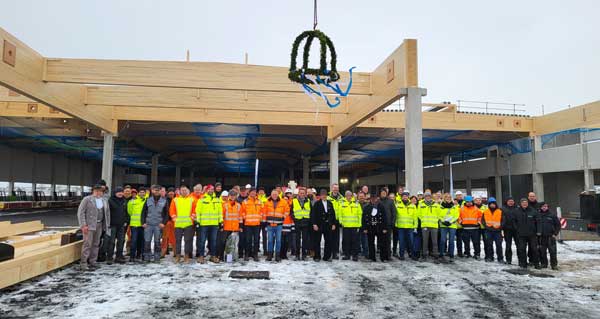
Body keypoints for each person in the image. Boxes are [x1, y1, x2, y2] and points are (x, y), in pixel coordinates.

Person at [77, 184, 111, 271]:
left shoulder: (104, 200)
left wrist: (106, 225)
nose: (98, 193)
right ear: (93, 191)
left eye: (100, 191)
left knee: (96, 244)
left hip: (99, 225)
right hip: (89, 226)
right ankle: (83, 263)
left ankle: (93, 261)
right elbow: (81, 213)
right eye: (96, 191)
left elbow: (107, 213)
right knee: (87, 244)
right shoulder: (87, 199)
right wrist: (83, 225)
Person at [141, 185, 169, 262]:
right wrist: (143, 222)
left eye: (158, 190)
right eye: (155, 190)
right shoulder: (148, 200)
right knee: (147, 241)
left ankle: (157, 257)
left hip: (158, 225)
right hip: (148, 224)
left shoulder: (164, 201)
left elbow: (167, 214)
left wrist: (163, 223)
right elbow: (143, 212)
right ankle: (147, 257)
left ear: (160, 191)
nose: (156, 192)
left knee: (157, 242)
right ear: (152, 191)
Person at [195, 184, 223, 263]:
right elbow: (198, 211)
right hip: (204, 224)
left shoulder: (217, 200)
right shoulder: (202, 199)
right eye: (209, 189)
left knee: (213, 241)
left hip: (214, 224)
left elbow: (219, 212)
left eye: (212, 189)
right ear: (206, 190)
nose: (211, 190)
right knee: (202, 240)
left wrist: (220, 221)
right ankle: (201, 256)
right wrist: (198, 221)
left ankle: (213, 256)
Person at [169, 185, 195, 263]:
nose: (184, 191)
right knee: (178, 241)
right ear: (180, 191)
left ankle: (186, 256)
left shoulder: (192, 199)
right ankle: (178, 256)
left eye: (185, 190)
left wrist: (192, 218)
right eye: (182, 190)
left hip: (188, 224)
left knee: (188, 241)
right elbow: (171, 210)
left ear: (188, 191)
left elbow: (195, 210)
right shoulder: (175, 200)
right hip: (178, 224)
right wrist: (174, 219)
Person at [262, 189, 290, 262]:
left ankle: (277, 256)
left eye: (276, 194)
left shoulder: (283, 202)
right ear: (271, 195)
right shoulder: (267, 202)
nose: (274, 195)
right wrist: (264, 222)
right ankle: (269, 255)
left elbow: (287, 210)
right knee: (270, 241)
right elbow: (264, 212)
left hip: (279, 225)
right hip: (269, 225)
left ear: (278, 195)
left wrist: (284, 216)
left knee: (278, 240)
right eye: (273, 194)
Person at [103, 187, 128, 265]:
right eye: (118, 192)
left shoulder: (124, 201)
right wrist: (107, 223)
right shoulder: (110, 201)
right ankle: (109, 257)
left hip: (121, 225)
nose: (120, 193)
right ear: (115, 193)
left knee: (121, 241)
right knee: (111, 241)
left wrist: (126, 221)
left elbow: (126, 212)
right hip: (112, 225)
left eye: (121, 192)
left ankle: (119, 256)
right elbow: (106, 213)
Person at [311, 189, 337, 262]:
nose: (324, 196)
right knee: (317, 241)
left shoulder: (330, 203)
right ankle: (317, 256)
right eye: (322, 195)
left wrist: (334, 224)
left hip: (328, 225)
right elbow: (313, 215)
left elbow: (333, 214)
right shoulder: (317, 204)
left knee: (328, 241)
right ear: (320, 196)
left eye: (325, 195)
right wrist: (314, 224)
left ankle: (327, 256)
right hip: (319, 225)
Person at [515, 198, 541, 269]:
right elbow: (514, 221)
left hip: (532, 234)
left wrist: (538, 231)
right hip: (521, 235)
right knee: (522, 249)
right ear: (520, 203)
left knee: (534, 249)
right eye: (523, 202)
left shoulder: (533, 211)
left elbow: (538, 221)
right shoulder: (517, 211)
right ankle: (523, 264)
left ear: (527, 203)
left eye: (526, 202)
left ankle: (536, 264)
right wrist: (517, 229)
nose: (524, 204)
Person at [217, 190, 243, 261]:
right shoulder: (224, 205)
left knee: (233, 244)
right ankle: (221, 256)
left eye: (234, 195)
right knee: (223, 242)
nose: (232, 197)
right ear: (229, 196)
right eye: (231, 195)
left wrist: (240, 226)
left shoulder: (238, 205)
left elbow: (240, 217)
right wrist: (221, 226)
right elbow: (221, 216)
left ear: (236, 196)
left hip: (235, 228)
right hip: (226, 227)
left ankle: (231, 257)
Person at [362, 194, 388, 262]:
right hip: (370, 227)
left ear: (377, 199)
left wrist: (385, 228)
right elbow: (363, 219)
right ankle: (372, 257)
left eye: (375, 198)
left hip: (380, 227)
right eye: (372, 198)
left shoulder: (381, 206)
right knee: (370, 243)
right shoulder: (366, 207)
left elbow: (385, 218)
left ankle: (383, 257)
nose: (373, 200)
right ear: (370, 199)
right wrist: (364, 228)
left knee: (382, 243)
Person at [339, 190, 362, 261]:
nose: (349, 197)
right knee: (346, 241)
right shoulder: (342, 203)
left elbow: (360, 214)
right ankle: (347, 255)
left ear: (351, 196)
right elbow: (340, 214)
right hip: (346, 226)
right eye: (347, 195)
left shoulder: (356, 203)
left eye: (350, 195)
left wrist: (359, 224)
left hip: (354, 226)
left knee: (355, 241)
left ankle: (354, 255)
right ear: (345, 196)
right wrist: (341, 222)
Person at [418, 192, 441, 261]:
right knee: (425, 241)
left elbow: (439, 214)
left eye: (429, 196)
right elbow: (418, 214)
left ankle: (436, 256)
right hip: (425, 225)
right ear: (424, 197)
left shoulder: (436, 205)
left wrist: (436, 219)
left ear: (430, 197)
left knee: (435, 242)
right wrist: (423, 220)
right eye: (426, 196)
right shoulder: (421, 205)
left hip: (434, 225)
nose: (427, 197)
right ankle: (424, 256)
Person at [241, 188, 263, 261]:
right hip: (248, 224)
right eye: (252, 192)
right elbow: (242, 212)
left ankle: (255, 254)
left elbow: (262, 211)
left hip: (257, 224)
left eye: (254, 192)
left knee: (256, 240)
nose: (253, 193)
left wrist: (260, 218)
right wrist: (245, 218)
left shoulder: (259, 201)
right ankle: (247, 254)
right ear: (249, 193)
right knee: (248, 240)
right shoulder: (245, 201)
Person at [395, 190, 417, 260]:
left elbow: (415, 217)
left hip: (410, 227)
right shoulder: (397, 205)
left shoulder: (413, 206)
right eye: (403, 196)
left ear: (408, 197)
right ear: (401, 197)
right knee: (401, 242)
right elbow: (395, 216)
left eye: (406, 196)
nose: (405, 197)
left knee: (411, 241)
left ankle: (412, 255)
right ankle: (401, 255)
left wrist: (415, 226)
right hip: (401, 227)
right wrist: (396, 224)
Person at [127, 187, 147, 262]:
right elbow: (130, 212)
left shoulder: (147, 201)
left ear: (145, 193)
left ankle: (141, 255)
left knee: (142, 240)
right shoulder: (132, 201)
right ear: (138, 193)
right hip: (134, 224)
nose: (142, 193)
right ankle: (132, 256)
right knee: (134, 240)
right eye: (140, 192)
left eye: (143, 192)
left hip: (143, 225)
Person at [538, 202, 560, 270]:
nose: (544, 207)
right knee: (542, 252)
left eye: (546, 206)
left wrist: (555, 234)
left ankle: (554, 265)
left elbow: (558, 225)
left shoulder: (552, 215)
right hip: (542, 237)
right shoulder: (538, 215)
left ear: (547, 207)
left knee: (553, 252)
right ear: (540, 207)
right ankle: (544, 264)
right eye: (543, 206)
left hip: (551, 237)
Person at [292, 187, 312, 260]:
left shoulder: (308, 201)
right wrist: (294, 219)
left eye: (303, 193)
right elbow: (291, 212)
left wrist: (309, 220)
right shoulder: (294, 201)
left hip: (306, 223)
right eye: (301, 193)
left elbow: (311, 211)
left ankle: (304, 255)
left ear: (305, 194)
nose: (302, 194)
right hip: (297, 222)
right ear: (298, 193)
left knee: (305, 240)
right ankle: (297, 255)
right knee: (297, 239)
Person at [439, 193, 459, 262]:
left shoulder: (454, 206)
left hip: (452, 225)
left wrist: (451, 222)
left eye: (449, 197)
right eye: (446, 197)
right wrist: (443, 221)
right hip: (443, 225)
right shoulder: (440, 206)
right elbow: (438, 215)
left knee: (451, 241)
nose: (448, 198)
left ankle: (451, 255)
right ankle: (441, 254)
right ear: (444, 198)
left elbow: (456, 215)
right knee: (442, 240)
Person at [482, 197, 503, 263]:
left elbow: (503, 221)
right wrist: (486, 227)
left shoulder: (500, 211)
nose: (492, 205)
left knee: (499, 245)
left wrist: (500, 227)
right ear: (489, 204)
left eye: (493, 204)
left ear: (495, 204)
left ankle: (500, 258)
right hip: (489, 231)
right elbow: (483, 221)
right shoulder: (485, 212)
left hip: (497, 231)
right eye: (491, 204)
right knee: (489, 245)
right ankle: (490, 257)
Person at [378, 188, 396, 261]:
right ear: (380, 194)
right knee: (381, 241)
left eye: (384, 193)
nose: (383, 194)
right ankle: (382, 256)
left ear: (386, 194)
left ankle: (388, 255)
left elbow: (394, 213)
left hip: (388, 225)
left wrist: (392, 223)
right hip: (380, 225)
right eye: (382, 193)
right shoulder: (378, 201)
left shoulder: (390, 202)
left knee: (388, 241)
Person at [327, 183, 344, 259]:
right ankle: (329, 252)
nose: (335, 190)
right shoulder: (328, 198)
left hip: (337, 221)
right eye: (334, 188)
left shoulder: (342, 199)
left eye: (337, 188)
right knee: (329, 237)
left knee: (337, 238)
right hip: (330, 221)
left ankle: (335, 252)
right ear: (332, 189)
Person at [501, 197, 518, 265]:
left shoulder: (517, 208)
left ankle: (521, 259)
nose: (511, 202)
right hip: (507, 229)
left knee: (519, 245)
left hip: (516, 230)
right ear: (507, 202)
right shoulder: (502, 209)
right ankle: (508, 260)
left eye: (512, 201)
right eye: (509, 201)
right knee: (508, 245)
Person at [160, 187, 176, 258]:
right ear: (167, 192)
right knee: (164, 237)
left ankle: (176, 252)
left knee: (174, 237)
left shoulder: (176, 200)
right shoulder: (164, 200)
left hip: (175, 221)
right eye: (170, 191)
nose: (171, 193)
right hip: (166, 221)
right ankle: (163, 252)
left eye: (172, 191)